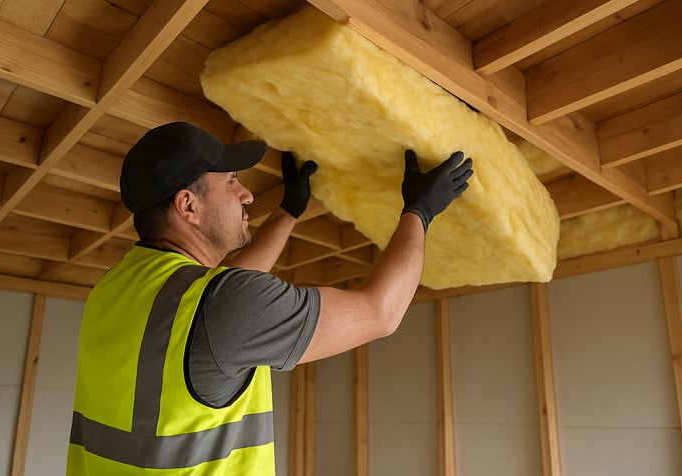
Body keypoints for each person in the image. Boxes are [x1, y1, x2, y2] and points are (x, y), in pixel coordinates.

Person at [66, 121, 473, 475]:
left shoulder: (115, 288)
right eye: (231, 182)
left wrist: (289, 211)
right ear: (188, 206)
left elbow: (222, 296)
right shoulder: (215, 306)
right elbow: (381, 312)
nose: (246, 195)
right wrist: (420, 210)